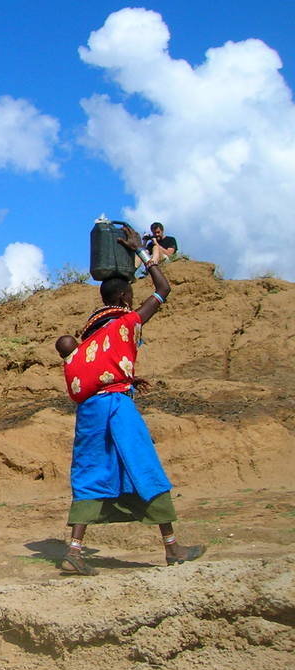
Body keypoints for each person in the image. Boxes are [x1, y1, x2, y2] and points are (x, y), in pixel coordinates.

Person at [58, 225, 204, 576]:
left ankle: (74, 552)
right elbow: (163, 289)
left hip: (89, 411)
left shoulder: (91, 332)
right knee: (144, 465)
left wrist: (128, 377)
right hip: (116, 405)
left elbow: (96, 366)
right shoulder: (127, 321)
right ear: (124, 296)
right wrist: (141, 251)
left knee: (90, 471)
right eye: (130, 294)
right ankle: (172, 548)